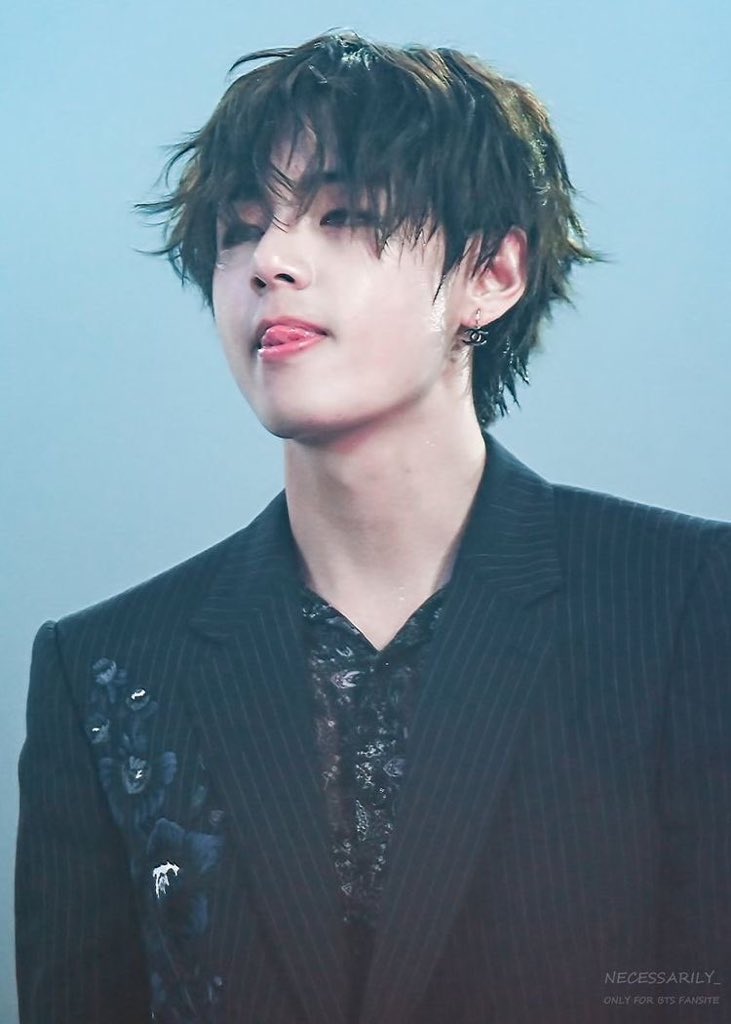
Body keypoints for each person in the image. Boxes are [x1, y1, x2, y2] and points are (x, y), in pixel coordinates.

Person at [15, 30, 731, 1024]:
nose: (270, 261)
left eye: (345, 215)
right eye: (239, 228)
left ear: (492, 272)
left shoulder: (687, 601)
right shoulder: (102, 669)